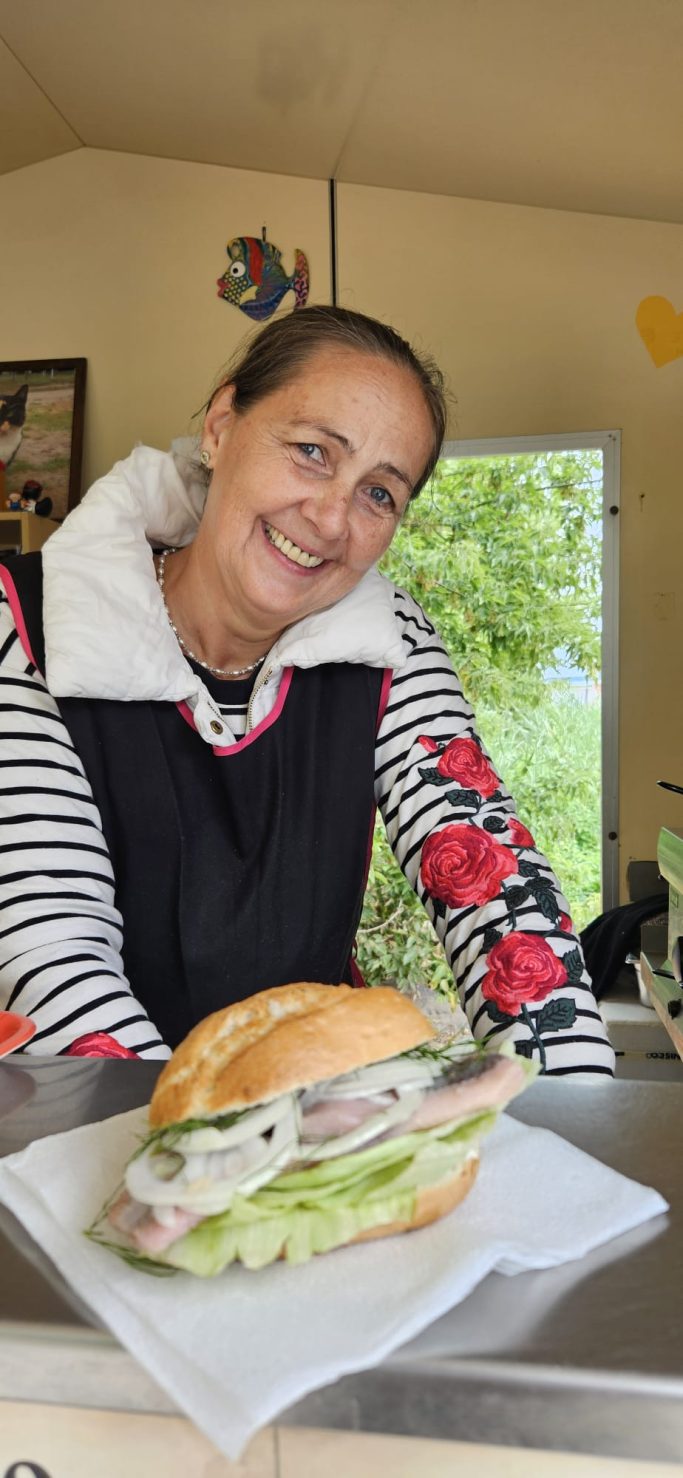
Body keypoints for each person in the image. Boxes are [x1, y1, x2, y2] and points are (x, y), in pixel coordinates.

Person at [0, 307, 614, 1074]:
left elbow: (493, 883)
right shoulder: (29, 623)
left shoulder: (387, 639)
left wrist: (574, 1103)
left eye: (379, 493)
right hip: (96, 1114)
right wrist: (206, 1138)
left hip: (316, 1098)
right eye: (312, 451)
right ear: (221, 425)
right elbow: (53, 953)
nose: (329, 519)